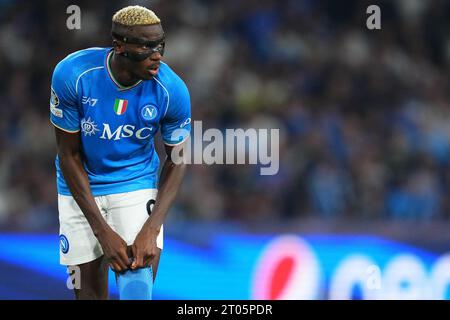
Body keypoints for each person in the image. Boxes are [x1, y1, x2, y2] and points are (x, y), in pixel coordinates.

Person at [49, 5, 191, 299]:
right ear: (120, 46)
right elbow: (69, 155)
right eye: (147, 46)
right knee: (88, 294)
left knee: (136, 287)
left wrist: (152, 228)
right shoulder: (73, 74)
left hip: (135, 184)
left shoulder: (171, 90)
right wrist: (101, 231)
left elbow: (177, 160)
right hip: (80, 186)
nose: (157, 55)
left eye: (160, 44)